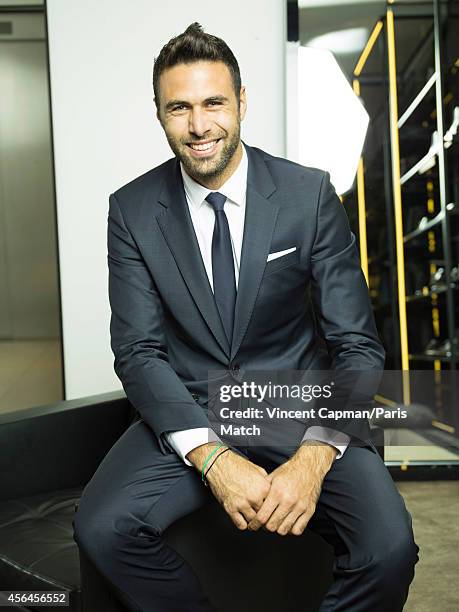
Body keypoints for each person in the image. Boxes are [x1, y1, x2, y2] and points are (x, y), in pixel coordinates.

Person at [73, 22, 419, 612]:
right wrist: (210, 455)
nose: (200, 125)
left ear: (242, 102)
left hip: (296, 404)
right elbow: (138, 353)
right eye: (179, 108)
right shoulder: (130, 210)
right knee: (103, 529)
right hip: (190, 403)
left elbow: (358, 347)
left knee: (390, 551)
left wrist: (313, 458)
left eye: (214, 103)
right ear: (159, 114)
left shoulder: (308, 195)